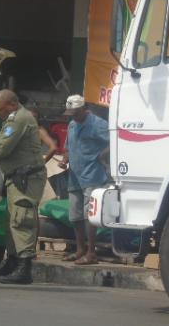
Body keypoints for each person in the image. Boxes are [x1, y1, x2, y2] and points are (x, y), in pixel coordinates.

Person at [0, 90, 47, 284]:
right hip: (18, 177)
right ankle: (12, 261)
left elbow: (1, 149)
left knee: (22, 220)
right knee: (12, 222)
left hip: (27, 178)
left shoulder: (18, 119)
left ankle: (24, 267)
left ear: (12, 104)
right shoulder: (15, 118)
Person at [59, 95, 109, 265]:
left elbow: (114, 141)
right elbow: (68, 147)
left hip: (92, 174)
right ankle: (80, 248)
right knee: (75, 215)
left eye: (76, 113)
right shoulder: (72, 124)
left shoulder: (98, 124)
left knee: (90, 215)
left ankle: (91, 252)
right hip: (74, 175)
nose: (73, 116)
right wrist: (65, 159)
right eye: (71, 113)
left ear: (84, 109)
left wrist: (102, 155)